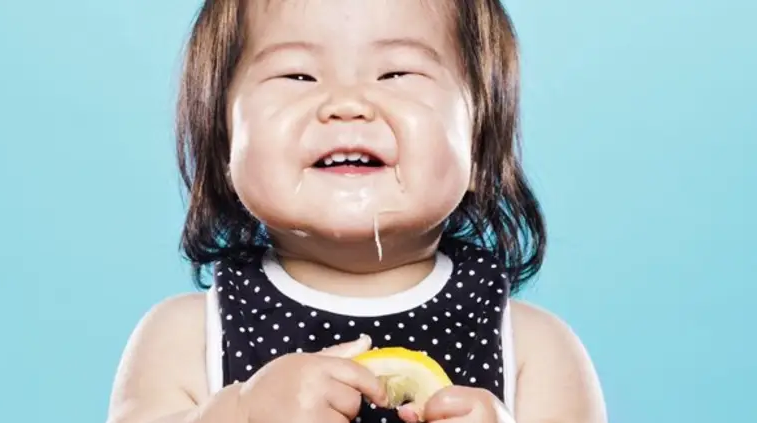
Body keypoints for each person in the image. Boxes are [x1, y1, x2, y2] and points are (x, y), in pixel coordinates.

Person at [106, 1, 607, 422]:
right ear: (224, 145)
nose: (346, 104)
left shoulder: (534, 350)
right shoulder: (186, 336)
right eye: (297, 74)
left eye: (396, 72)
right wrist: (238, 412)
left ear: (480, 142)